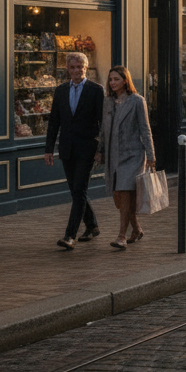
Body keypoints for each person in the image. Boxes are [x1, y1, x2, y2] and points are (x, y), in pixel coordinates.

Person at [45, 52, 105, 250]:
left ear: (86, 68)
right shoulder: (61, 90)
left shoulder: (96, 90)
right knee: (76, 191)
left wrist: (101, 150)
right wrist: (48, 149)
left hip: (88, 149)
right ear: (67, 69)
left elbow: (103, 123)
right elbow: (54, 122)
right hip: (66, 149)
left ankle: (70, 236)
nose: (76, 71)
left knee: (79, 190)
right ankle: (92, 225)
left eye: (80, 67)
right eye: (72, 67)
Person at [97, 65, 156, 249]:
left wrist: (151, 155)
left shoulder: (137, 101)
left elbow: (145, 130)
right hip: (113, 156)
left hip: (133, 155)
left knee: (125, 192)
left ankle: (121, 236)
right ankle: (136, 229)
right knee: (120, 197)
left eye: (116, 79)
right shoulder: (108, 102)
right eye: (110, 79)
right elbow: (104, 130)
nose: (112, 83)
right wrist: (100, 150)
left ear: (125, 80)